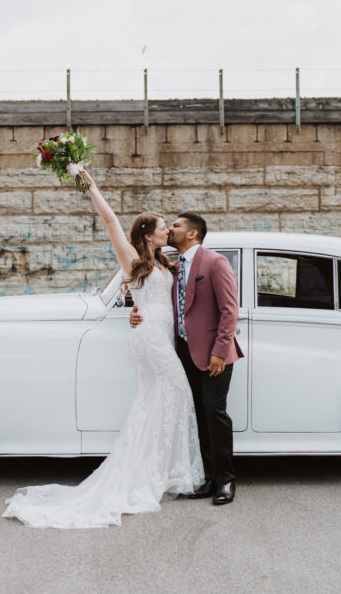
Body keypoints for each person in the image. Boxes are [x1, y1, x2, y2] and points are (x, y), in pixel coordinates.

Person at [2, 168, 204, 528]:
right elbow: (110, 220)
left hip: (159, 335)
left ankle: (156, 469)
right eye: (161, 226)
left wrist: (135, 310)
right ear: (147, 232)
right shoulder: (131, 258)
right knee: (175, 391)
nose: (166, 230)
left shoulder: (162, 262)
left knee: (159, 400)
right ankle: (157, 472)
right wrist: (86, 180)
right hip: (150, 340)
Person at [130, 213, 243, 505]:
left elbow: (230, 310)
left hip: (215, 355)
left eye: (176, 226)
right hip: (183, 353)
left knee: (215, 415)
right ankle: (207, 479)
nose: (170, 230)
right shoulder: (175, 266)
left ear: (192, 233)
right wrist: (135, 310)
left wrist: (220, 351)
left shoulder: (214, 262)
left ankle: (226, 481)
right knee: (199, 417)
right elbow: (157, 297)